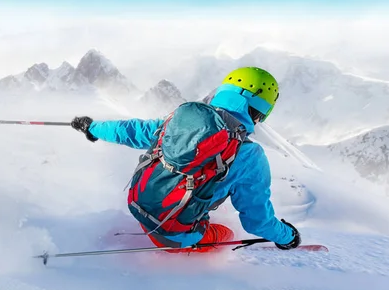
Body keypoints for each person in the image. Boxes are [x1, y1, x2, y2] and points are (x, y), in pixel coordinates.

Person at [71, 67, 301, 253]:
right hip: (173, 236)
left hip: (137, 206)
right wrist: (288, 236)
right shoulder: (251, 156)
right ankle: (189, 246)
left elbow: (132, 130)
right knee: (228, 233)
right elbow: (257, 222)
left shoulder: (179, 120)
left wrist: (92, 127)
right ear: (263, 111)